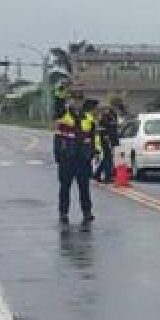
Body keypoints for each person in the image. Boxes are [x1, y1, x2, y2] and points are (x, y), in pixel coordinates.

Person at [54, 92, 100, 225]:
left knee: (85, 188)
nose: (78, 103)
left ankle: (87, 212)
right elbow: (58, 104)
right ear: (70, 101)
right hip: (67, 157)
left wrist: (96, 151)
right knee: (65, 187)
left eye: (80, 100)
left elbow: (94, 136)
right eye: (75, 100)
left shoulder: (89, 118)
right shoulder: (63, 114)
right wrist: (60, 92)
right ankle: (63, 213)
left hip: (83, 158)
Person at [94, 105, 120, 183]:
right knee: (108, 158)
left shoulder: (114, 117)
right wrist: (106, 137)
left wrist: (115, 141)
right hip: (106, 140)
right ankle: (107, 177)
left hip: (111, 140)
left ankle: (98, 174)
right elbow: (102, 129)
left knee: (107, 158)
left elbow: (114, 129)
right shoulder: (105, 118)